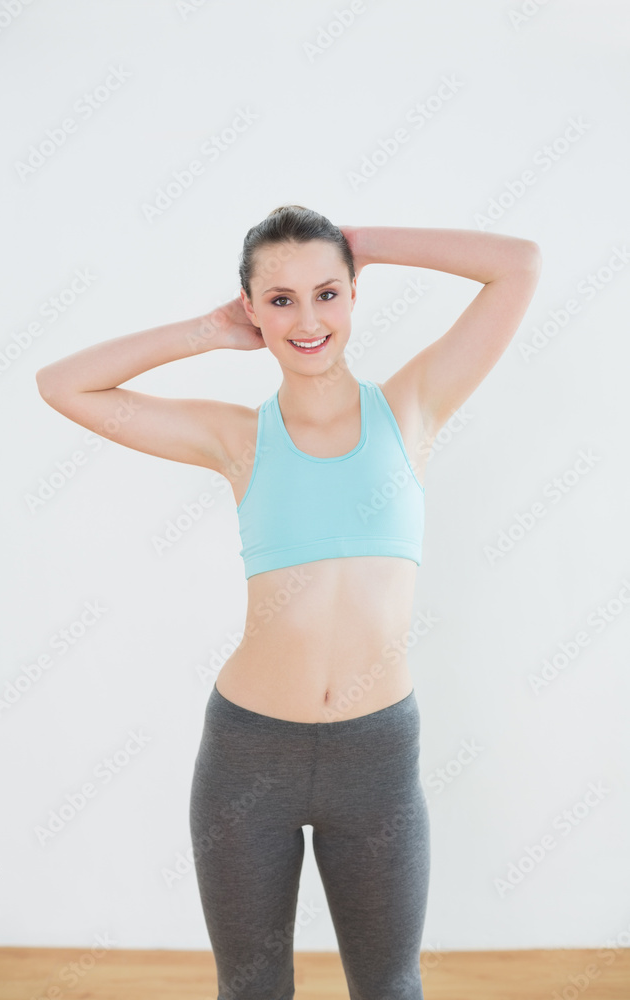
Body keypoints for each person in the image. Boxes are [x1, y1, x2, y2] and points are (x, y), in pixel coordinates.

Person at [35, 205, 542, 1000]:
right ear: (251, 309)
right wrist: (205, 332)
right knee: (252, 990)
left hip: (375, 759)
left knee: (388, 988)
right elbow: (61, 384)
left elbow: (518, 264)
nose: (307, 319)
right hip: (248, 756)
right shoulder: (236, 439)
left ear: (350, 296)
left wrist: (365, 243)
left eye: (327, 293)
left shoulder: (409, 410)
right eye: (279, 300)